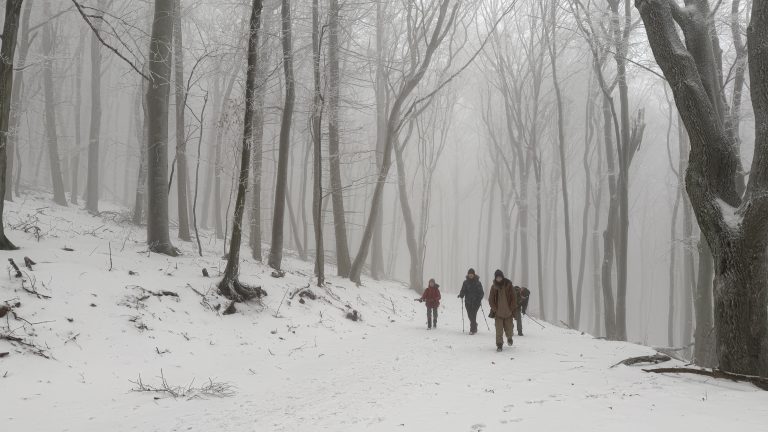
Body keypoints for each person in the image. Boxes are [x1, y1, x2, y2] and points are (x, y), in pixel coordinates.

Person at [488, 270, 517, 351]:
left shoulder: (508, 285)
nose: (499, 279)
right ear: (495, 278)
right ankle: (499, 345)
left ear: (502, 277)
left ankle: (509, 338)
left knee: (509, 329)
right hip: (498, 313)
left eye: (500, 277)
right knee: (499, 330)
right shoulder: (493, 287)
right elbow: (490, 300)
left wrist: (511, 309)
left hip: (508, 313)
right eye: (497, 277)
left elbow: (514, 298)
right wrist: (495, 309)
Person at [458, 268, 484, 334]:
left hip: (476, 302)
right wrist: (461, 295)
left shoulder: (478, 283)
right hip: (468, 302)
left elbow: (481, 292)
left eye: (472, 274)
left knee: (473, 315)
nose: (470, 275)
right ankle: (474, 324)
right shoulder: (465, 282)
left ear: (474, 274)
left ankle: (472, 330)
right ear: (468, 274)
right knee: (469, 315)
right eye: (469, 274)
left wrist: (479, 299)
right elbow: (463, 290)